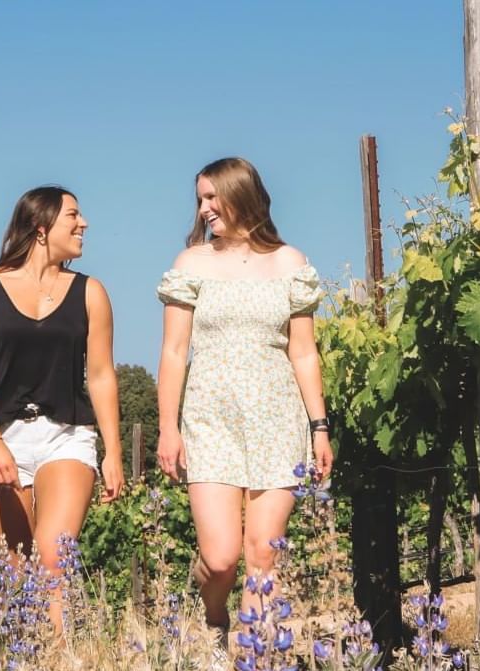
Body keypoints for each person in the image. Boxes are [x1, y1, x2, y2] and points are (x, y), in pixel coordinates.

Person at [154, 157, 334, 630]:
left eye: (212, 197)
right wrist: (167, 428)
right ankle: (215, 618)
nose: (203, 209)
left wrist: (319, 427)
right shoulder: (191, 264)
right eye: (199, 200)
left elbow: (304, 354)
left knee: (262, 555)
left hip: (277, 421)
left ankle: (251, 661)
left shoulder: (290, 264)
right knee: (220, 558)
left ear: (240, 195)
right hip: (211, 422)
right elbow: (173, 353)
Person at [0, 185, 125, 629]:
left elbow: (102, 375)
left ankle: (58, 655)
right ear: (41, 227)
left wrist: (114, 450)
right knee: (15, 572)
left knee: (52, 558)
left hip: (66, 435)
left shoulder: (91, 294)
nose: (83, 223)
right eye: (73, 215)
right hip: (3, 436)